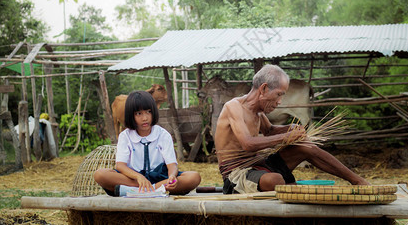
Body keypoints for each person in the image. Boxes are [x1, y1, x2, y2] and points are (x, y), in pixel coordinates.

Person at [215, 64, 369, 194]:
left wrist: (291, 128)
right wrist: (286, 137)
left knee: (304, 147)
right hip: (236, 175)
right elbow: (247, 144)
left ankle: (358, 181)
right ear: (263, 89)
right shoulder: (234, 107)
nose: (280, 102)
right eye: (279, 94)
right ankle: (297, 191)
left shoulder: (258, 113)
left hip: (259, 166)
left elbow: (269, 131)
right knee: (275, 179)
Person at [94, 90, 201, 196]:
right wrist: (139, 177)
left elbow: (172, 164)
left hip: (160, 178)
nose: (145, 118)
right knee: (100, 174)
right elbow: (120, 166)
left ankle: (144, 190)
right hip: (133, 179)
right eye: (139, 113)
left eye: (148, 112)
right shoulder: (125, 136)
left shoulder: (163, 134)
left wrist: (172, 176)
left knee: (194, 177)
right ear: (131, 115)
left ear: (153, 112)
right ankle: (152, 189)